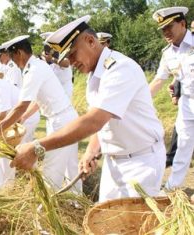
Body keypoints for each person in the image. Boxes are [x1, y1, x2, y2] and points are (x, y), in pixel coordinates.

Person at [9, 15, 166, 202]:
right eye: (67, 56)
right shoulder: (94, 75)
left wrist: (37, 147)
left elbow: (94, 121)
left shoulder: (119, 69)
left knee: (134, 225)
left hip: (141, 161)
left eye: (73, 53)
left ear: (90, 41)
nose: (71, 62)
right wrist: (91, 151)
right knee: (108, 225)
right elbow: (102, 125)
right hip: (113, 161)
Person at [0, 35, 82, 194]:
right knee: (70, 165)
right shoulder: (38, 65)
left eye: (12, 57)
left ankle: (45, 212)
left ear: (19, 53)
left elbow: (21, 105)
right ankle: (76, 201)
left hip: (61, 121)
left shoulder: (33, 70)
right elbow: (38, 101)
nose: (13, 61)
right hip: (66, 117)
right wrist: (23, 118)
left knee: (51, 171)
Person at [149, 7, 194, 189]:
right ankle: (172, 188)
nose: (166, 32)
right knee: (182, 147)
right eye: (163, 29)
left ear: (182, 23)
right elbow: (159, 79)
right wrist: (137, 99)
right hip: (187, 104)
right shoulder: (167, 53)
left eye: (169, 27)